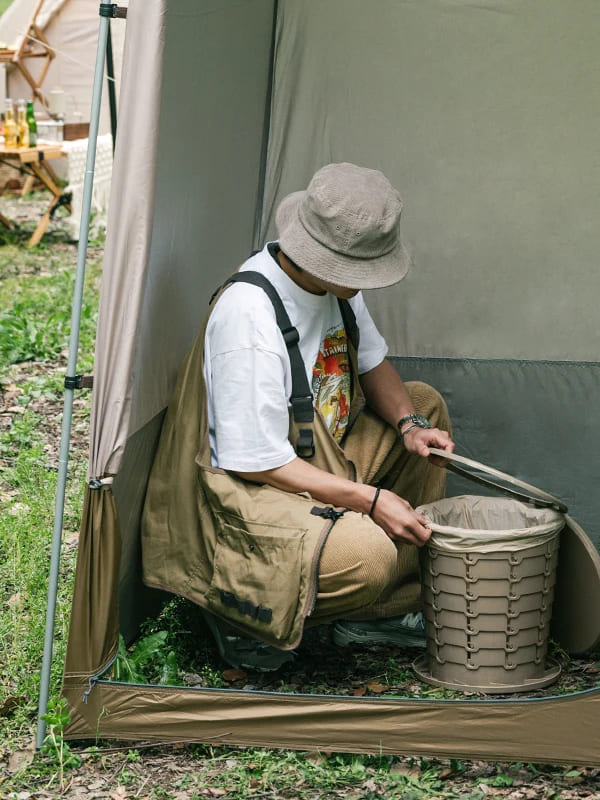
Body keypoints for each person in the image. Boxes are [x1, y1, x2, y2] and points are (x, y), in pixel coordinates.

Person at [141, 162, 454, 671]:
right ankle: (245, 615)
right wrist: (372, 501)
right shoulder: (249, 314)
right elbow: (257, 463)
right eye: (360, 270)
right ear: (321, 257)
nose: (366, 281)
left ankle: (372, 614)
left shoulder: (336, 290)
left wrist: (410, 427)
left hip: (313, 455)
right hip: (247, 492)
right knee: (368, 556)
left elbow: (372, 364)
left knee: (422, 402)